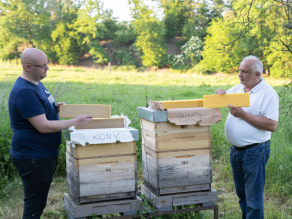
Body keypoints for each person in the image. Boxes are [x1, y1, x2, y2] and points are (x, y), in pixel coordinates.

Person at [8, 48, 92, 219]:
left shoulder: (36, 82)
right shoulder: (25, 91)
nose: (47, 69)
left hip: (41, 154)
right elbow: (43, 126)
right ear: (28, 66)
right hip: (33, 157)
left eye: (47, 64)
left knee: (38, 201)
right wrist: (76, 121)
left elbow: (40, 110)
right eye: (42, 66)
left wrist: (54, 108)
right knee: (34, 206)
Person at [215, 56, 279, 219]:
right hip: (236, 152)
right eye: (239, 70)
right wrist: (220, 94)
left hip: (255, 152)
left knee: (253, 201)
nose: (240, 74)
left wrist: (243, 115)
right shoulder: (237, 89)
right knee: (242, 196)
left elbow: (272, 125)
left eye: (245, 72)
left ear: (257, 74)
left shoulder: (268, 94)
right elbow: (217, 102)